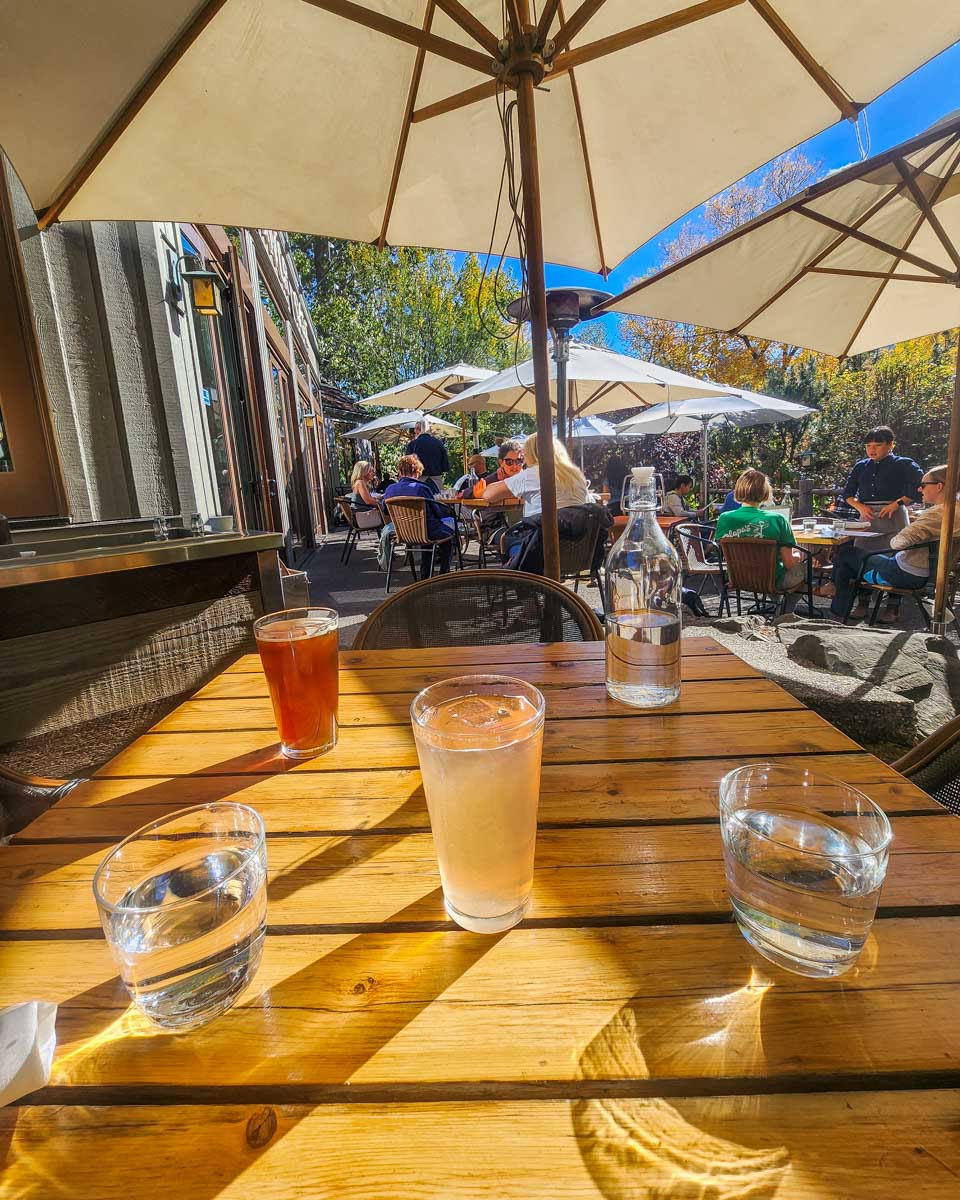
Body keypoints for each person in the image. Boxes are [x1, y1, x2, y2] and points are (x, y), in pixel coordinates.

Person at [829, 464, 960, 622]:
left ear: (939, 486)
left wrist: (913, 525)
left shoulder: (937, 513)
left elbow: (898, 543)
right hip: (931, 574)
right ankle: (840, 610)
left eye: (923, 485)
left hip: (906, 574)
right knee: (847, 565)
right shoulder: (955, 510)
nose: (919, 490)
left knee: (847, 554)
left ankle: (837, 610)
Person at [831, 425, 924, 619]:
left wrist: (897, 504)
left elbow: (919, 487)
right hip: (867, 518)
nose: (872, 449)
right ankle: (863, 603)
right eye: (868, 445)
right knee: (862, 558)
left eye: (877, 445)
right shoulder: (861, 466)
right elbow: (847, 493)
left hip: (894, 516)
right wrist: (860, 507)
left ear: (890, 445)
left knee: (895, 557)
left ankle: (892, 607)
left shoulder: (904, 464)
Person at [484, 433, 591, 567]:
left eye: (524, 455)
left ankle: (520, 573)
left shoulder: (533, 473)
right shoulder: (576, 475)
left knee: (510, 538)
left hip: (541, 551)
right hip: (579, 551)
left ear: (531, 453)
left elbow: (488, 494)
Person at [715, 469, 807, 609]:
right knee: (806, 569)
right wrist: (798, 555)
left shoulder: (724, 518)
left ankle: (776, 606)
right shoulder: (778, 519)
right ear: (765, 493)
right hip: (771, 580)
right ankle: (784, 612)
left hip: (738, 579)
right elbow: (788, 563)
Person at [380, 453, 456, 577]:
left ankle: (425, 576)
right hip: (426, 531)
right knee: (448, 534)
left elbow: (385, 511)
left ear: (399, 471)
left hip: (402, 532)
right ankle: (444, 574)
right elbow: (436, 511)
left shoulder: (390, 490)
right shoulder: (422, 488)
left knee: (426, 533)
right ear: (417, 471)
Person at [404, 417, 450, 491]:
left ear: (418, 430)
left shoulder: (412, 444)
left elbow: (406, 466)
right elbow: (446, 467)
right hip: (436, 484)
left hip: (418, 483)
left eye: (415, 431)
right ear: (429, 430)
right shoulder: (439, 444)